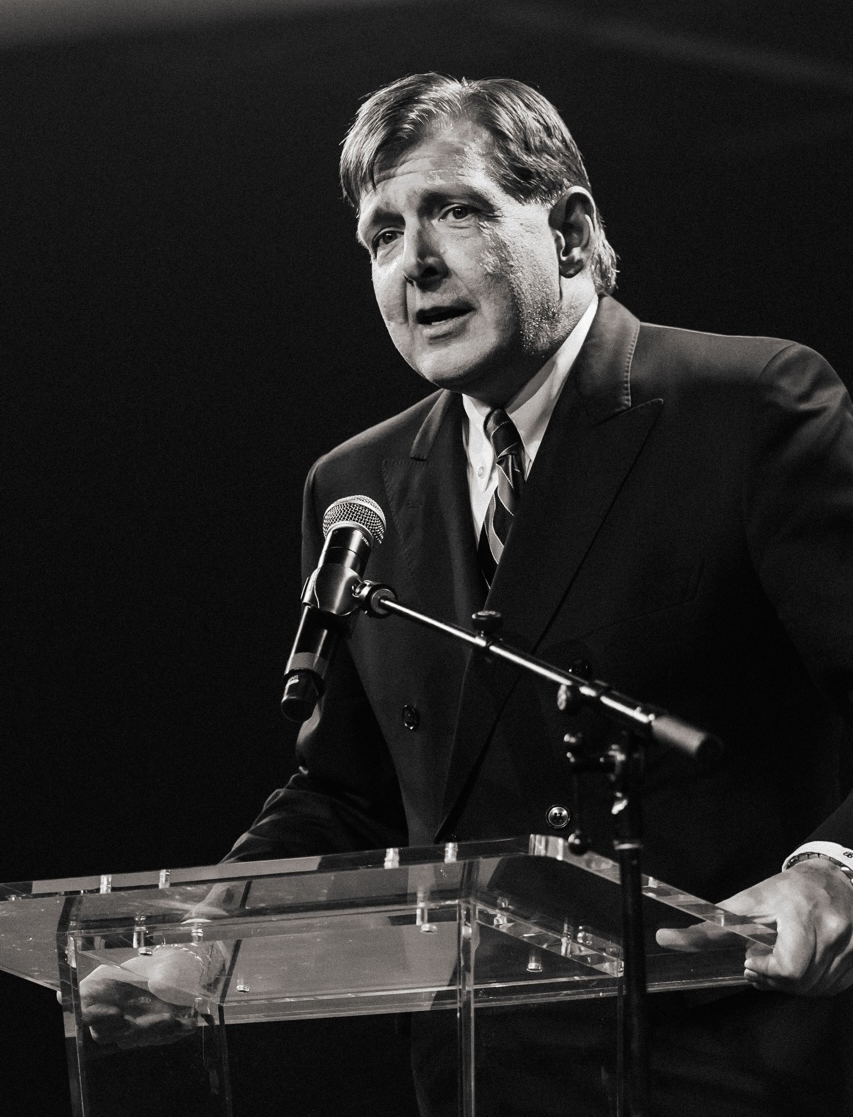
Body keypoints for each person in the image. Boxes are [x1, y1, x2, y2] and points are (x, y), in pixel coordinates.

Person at [84, 74, 853, 1113]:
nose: (415, 262)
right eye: (382, 233)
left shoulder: (746, 407)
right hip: (489, 1076)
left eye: (455, 210)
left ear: (569, 234)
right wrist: (202, 935)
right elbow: (347, 793)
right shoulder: (356, 489)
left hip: (739, 1059)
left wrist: (833, 871)